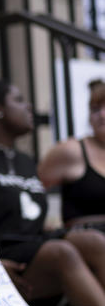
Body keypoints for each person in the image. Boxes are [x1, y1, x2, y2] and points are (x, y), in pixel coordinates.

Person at [0, 80, 105, 306]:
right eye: (18, 100)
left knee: (93, 241)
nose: (29, 106)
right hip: (0, 253)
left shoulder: (26, 161)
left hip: (34, 246)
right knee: (61, 252)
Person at [38, 79, 105, 231]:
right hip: (85, 240)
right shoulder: (71, 151)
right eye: (95, 109)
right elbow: (29, 188)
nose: (102, 115)